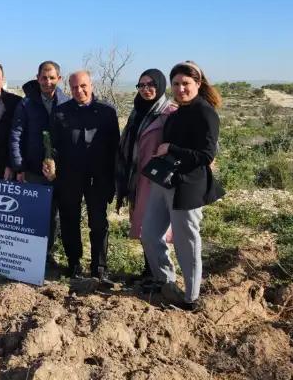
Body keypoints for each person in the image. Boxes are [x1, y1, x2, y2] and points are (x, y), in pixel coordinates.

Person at [141, 61, 225, 311]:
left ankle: (191, 297)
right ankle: (165, 281)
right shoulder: (177, 113)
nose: (180, 89)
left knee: (187, 242)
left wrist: (172, 149)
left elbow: (206, 155)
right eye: (176, 84)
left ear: (198, 84)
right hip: (164, 182)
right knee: (149, 234)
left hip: (188, 186)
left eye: (186, 84)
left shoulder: (205, 112)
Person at [48, 71, 119, 285]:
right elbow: (52, 144)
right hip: (69, 176)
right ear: (69, 88)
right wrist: (50, 161)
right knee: (70, 221)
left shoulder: (107, 111)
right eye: (75, 87)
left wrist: (114, 179)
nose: (80, 91)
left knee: (98, 222)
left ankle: (99, 267)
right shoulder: (60, 112)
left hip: (99, 177)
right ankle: (74, 264)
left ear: (91, 84)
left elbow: (115, 147)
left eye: (84, 86)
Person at [115, 69, 176, 285]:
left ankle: (161, 276)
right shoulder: (137, 112)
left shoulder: (169, 112)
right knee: (142, 225)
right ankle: (149, 270)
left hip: (156, 181)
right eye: (141, 85)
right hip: (136, 179)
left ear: (160, 85)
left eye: (151, 84)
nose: (146, 89)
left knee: (155, 228)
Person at [9, 61, 70, 266]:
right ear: (38, 78)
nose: (48, 81)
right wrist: (19, 166)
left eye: (52, 78)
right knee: (32, 213)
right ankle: (28, 255)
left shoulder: (66, 103)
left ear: (59, 79)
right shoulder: (26, 103)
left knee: (53, 215)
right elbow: (16, 135)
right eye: (44, 77)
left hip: (59, 172)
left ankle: (47, 254)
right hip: (33, 170)